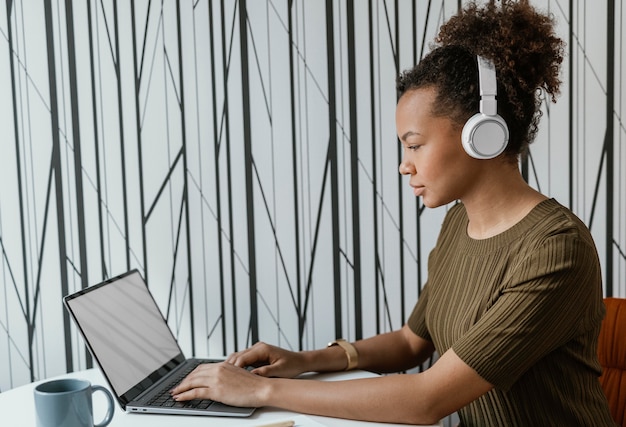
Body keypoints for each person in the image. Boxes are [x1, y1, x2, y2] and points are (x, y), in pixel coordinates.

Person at [171, 1, 616, 425]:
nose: (405, 164)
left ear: (482, 136)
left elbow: (427, 400)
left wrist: (259, 392)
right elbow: (411, 342)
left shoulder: (556, 249)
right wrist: (304, 361)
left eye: (415, 144)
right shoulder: (460, 222)